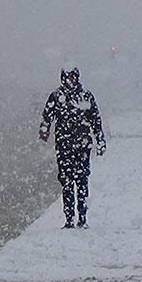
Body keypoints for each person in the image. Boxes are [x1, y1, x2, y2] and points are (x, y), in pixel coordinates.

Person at [39, 66, 106, 229]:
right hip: (63, 146)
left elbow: (95, 120)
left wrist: (100, 140)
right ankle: (69, 218)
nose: (71, 81)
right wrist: (44, 129)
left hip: (82, 146)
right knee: (66, 182)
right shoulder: (56, 97)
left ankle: (82, 217)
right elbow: (47, 116)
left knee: (82, 180)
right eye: (68, 78)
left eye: (73, 77)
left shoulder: (85, 97)